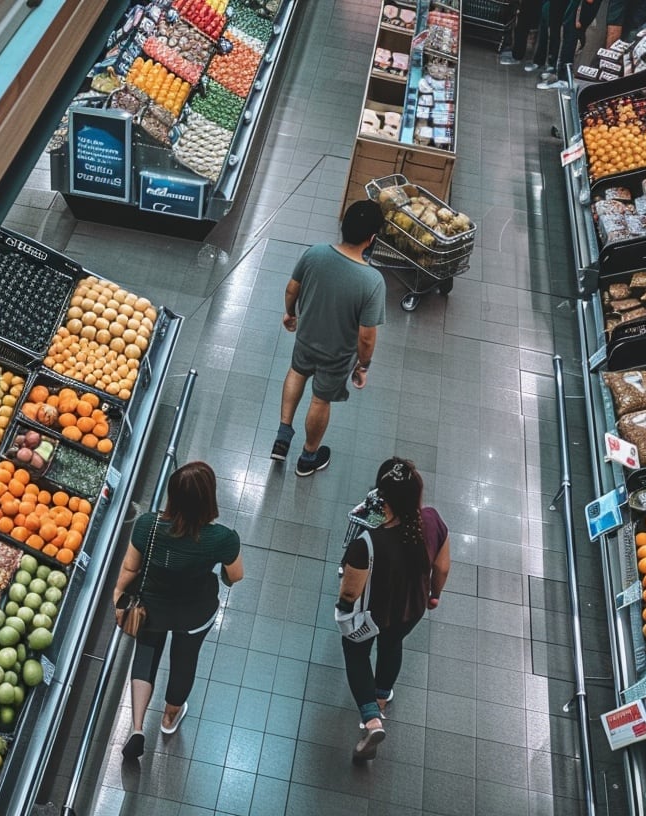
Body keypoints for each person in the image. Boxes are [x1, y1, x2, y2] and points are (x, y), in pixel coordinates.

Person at [112, 461, 245, 761]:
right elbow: (235, 575)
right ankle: (169, 718)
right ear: (209, 498)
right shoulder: (223, 538)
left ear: (172, 495)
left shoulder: (148, 525)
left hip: (152, 608)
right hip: (195, 613)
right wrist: (221, 575)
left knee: (145, 656)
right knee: (185, 661)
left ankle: (136, 728)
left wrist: (118, 595)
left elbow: (131, 567)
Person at [336, 457, 451, 762]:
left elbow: (350, 589)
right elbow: (441, 568)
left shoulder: (367, 542)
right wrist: (434, 596)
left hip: (373, 614)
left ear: (383, 498)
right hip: (411, 610)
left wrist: (344, 607)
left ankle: (372, 720)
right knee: (392, 646)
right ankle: (382, 696)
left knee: (356, 652)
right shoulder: (432, 520)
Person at [273, 200, 387, 477]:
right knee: (320, 401)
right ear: (372, 239)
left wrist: (290, 314)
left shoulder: (316, 253)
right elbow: (366, 337)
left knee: (296, 373)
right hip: (337, 356)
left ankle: (283, 434)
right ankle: (307, 458)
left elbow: (291, 288)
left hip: (307, 337)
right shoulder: (372, 281)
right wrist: (363, 366)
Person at [537, 0, 604, 90]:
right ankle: (560, 75)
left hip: (584, 10)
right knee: (567, 37)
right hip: (577, 8)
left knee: (573, 39)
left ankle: (565, 80)